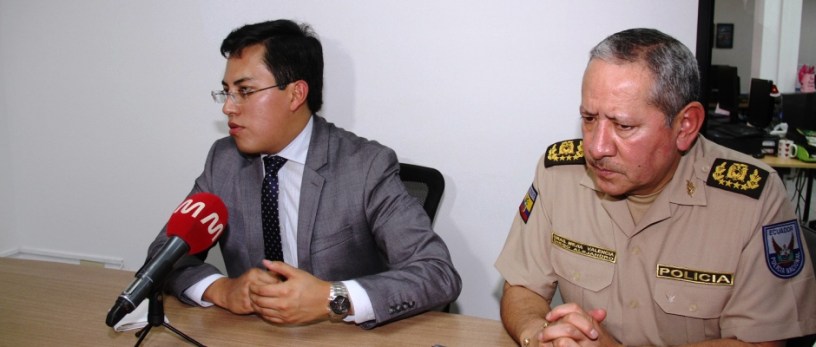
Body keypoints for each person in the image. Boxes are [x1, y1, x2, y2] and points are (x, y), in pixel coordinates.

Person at [495, 28, 816, 346]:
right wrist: (539, 335)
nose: (596, 147)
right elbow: (522, 288)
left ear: (685, 126)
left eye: (623, 125)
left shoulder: (753, 199)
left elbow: (760, 343)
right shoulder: (559, 174)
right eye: (589, 119)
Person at [147, 19, 461, 329]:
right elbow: (162, 255)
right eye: (226, 92)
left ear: (296, 94)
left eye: (245, 91)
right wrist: (222, 289)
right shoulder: (224, 160)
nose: (228, 108)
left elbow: (437, 274)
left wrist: (332, 298)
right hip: (254, 335)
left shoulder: (366, 166)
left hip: (343, 336)